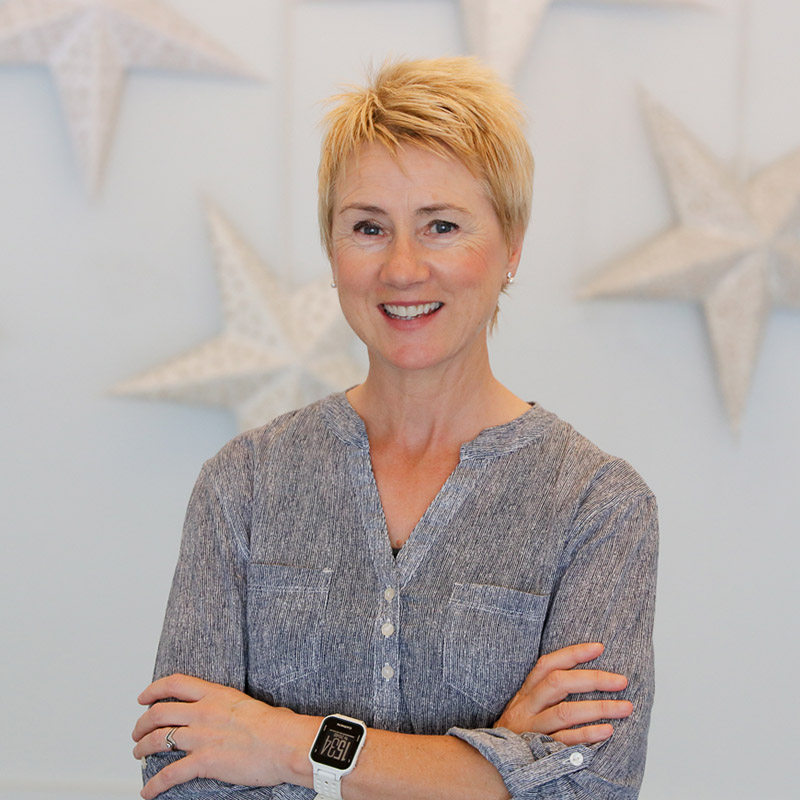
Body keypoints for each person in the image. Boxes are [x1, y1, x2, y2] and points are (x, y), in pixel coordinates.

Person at [132, 57, 658, 800]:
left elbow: (588, 788)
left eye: (442, 226)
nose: (403, 269)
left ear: (511, 245)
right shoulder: (243, 484)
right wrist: (492, 768)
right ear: (332, 248)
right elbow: (181, 774)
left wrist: (287, 744)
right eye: (369, 227)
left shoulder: (597, 506)